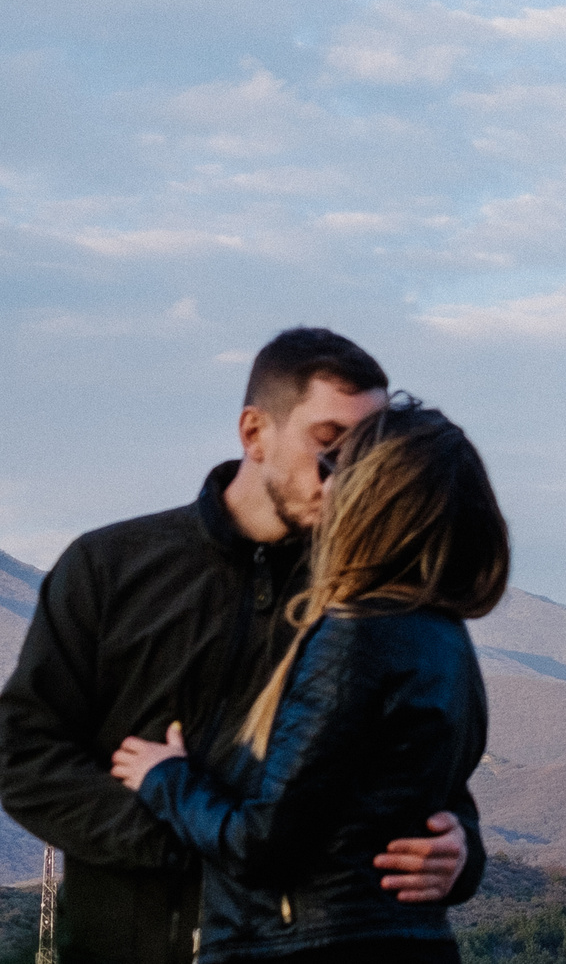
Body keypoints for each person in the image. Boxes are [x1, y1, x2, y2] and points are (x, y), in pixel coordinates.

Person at [0, 329, 477, 964]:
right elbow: (24, 752)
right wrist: (192, 843)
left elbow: (426, 773)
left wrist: (462, 848)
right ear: (254, 433)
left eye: (370, 452)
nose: (352, 473)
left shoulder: (378, 605)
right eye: (331, 444)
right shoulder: (110, 567)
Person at [109, 401, 505, 964]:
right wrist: (462, 853)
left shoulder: (355, 637)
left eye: (334, 470)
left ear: (366, 503)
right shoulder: (446, 637)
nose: (323, 484)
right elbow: (416, 796)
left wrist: (163, 778)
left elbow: (264, 844)